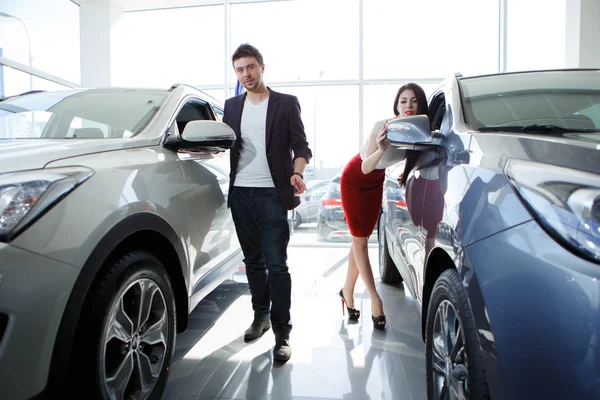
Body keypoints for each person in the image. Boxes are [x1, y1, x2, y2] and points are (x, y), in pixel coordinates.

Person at [223, 43, 312, 362]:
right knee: (253, 262)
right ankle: (260, 316)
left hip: (273, 194)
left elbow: (301, 146)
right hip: (241, 194)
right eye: (239, 69)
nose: (245, 74)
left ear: (262, 67)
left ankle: (282, 333)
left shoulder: (286, 103)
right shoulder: (231, 106)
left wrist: (297, 172)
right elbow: (225, 145)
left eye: (250, 67)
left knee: (276, 264)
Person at [339, 83, 429, 330]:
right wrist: (381, 148)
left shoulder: (419, 132)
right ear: (396, 105)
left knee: (361, 239)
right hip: (356, 179)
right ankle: (375, 300)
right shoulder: (384, 126)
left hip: (375, 182)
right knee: (360, 241)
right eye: (403, 101)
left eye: (413, 101)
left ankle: (347, 291)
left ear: (421, 106)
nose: (408, 106)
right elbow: (366, 166)